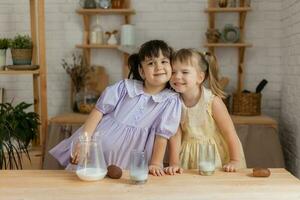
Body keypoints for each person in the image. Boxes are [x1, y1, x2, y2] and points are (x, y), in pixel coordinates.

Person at [49, 40, 181, 176]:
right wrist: (85, 140)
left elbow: (162, 135)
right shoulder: (125, 87)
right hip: (97, 148)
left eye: (164, 61)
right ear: (142, 72)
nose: (158, 67)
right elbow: (98, 111)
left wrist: (156, 163)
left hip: (130, 159)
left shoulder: (171, 100)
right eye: (151, 63)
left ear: (171, 66)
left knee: (119, 188)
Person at [165, 48, 246, 175]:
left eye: (184, 72)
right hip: (188, 154)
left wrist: (235, 160)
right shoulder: (173, 103)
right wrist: (174, 163)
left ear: (200, 77)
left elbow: (229, 132)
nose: (177, 76)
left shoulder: (212, 102)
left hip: (213, 154)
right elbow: (175, 135)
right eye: (173, 72)